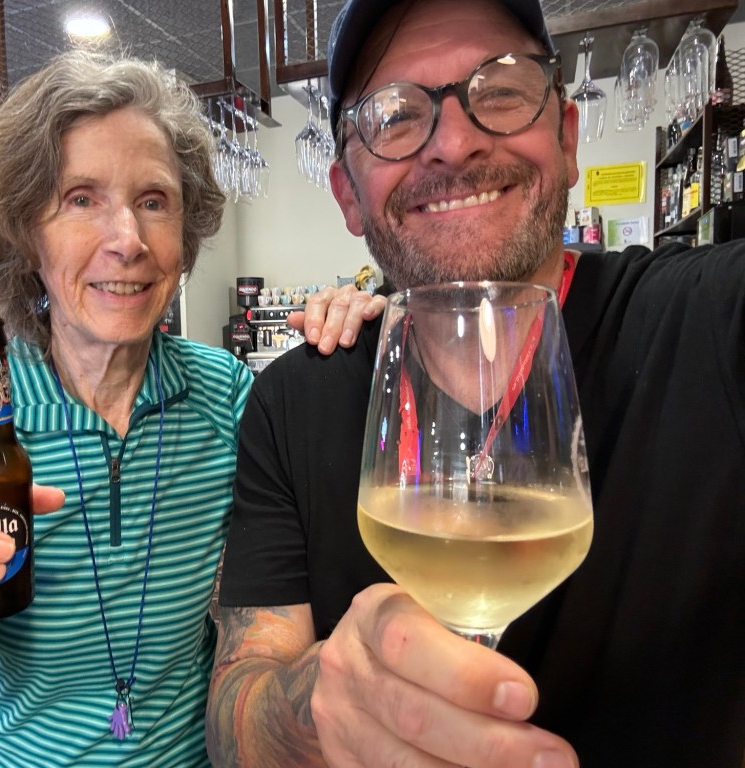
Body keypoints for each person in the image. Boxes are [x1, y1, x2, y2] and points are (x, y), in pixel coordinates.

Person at [207, 1, 745, 767]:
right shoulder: (291, 402)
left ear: (566, 137)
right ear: (348, 193)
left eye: (500, 89)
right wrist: (315, 709)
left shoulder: (708, 321)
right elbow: (233, 722)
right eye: (396, 115)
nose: (455, 142)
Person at [0, 50, 381, 767]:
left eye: (154, 201)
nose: (129, 241)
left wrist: (361, 328)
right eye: (81, 199)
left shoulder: (225, 394)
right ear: (26, 234)